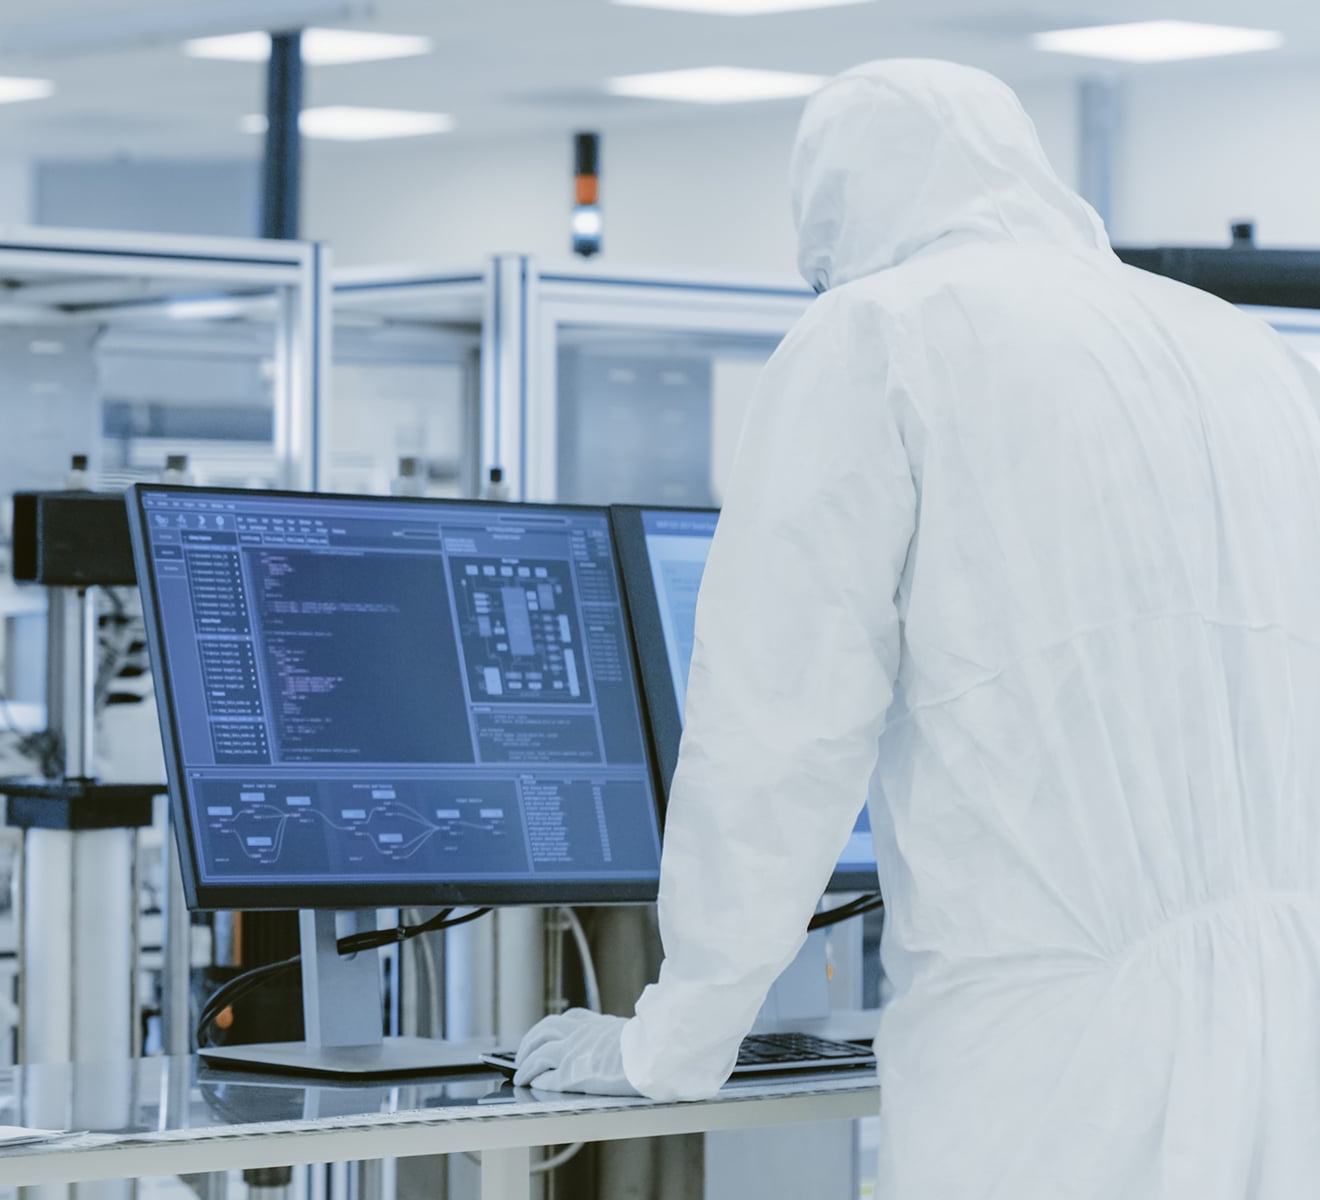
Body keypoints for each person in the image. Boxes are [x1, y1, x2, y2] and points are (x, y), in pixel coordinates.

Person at [513, 59, 1320, 1196]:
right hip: (1288, 1034)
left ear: (839, 208)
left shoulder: (877, 334)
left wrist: (671, 1038)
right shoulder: (1249, 350)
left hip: (1053, 1052)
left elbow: (777, 732)